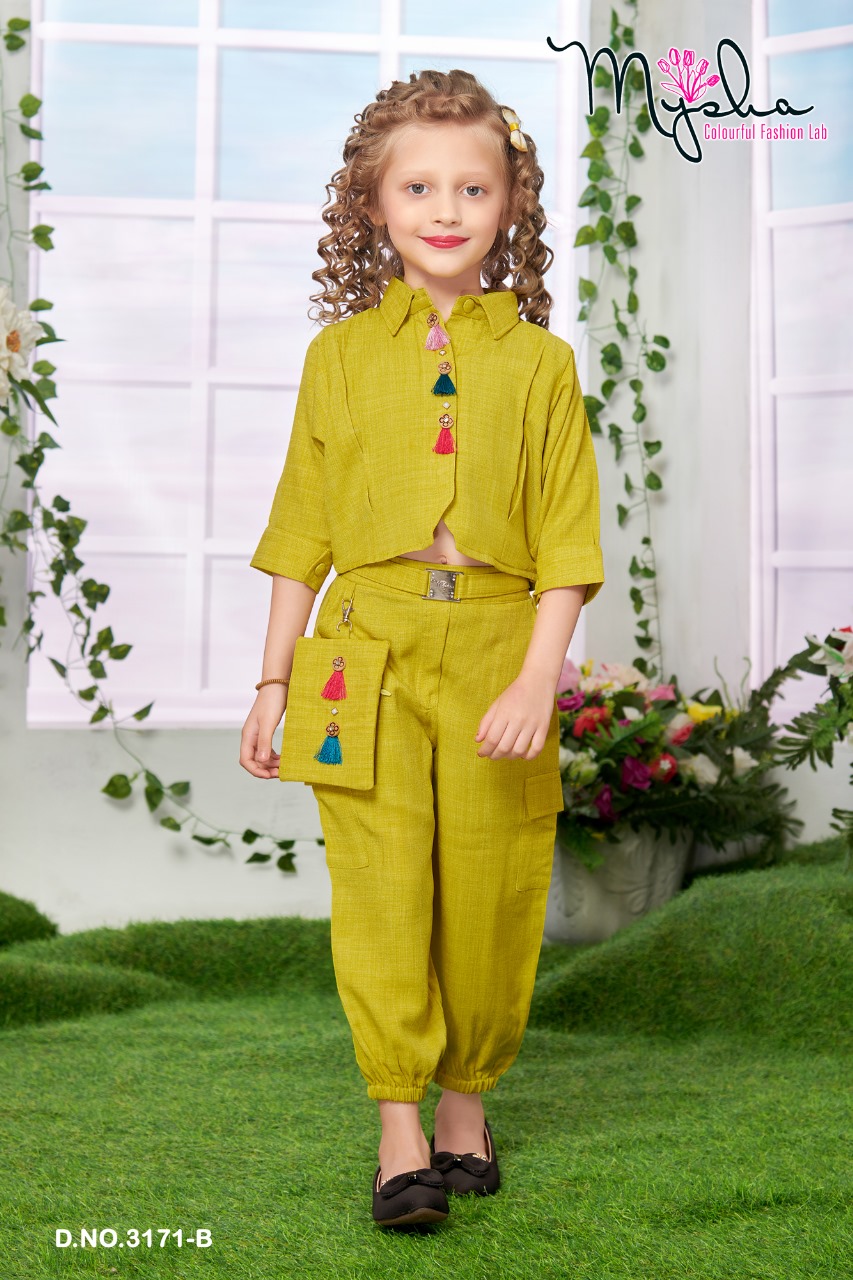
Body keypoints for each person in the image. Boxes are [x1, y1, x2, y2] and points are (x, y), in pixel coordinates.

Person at [239, 68, 604, 1228]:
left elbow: (567, 540)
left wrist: (538, 674)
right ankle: (398, 1126)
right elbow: (300, 529)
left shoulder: (542, 366)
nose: (445, 209)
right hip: (360, 652)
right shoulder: (338, 358)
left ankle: (464, 1099)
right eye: (417, 187)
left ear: (509, 205)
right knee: (381, 885)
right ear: (372, 202)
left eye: (472, 188)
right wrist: (273, 679)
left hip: (498, 642)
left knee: (492, 883)